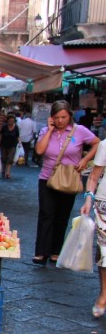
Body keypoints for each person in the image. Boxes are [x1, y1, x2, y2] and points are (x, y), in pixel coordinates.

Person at [32, 100, 99, 265]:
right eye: (57, 117)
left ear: (70, 116)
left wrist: (85, 159)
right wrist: (49, 130)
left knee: (62, 216)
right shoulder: (45, 131)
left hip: (69, 179)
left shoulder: (80, 131)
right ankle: (41, 252)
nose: (60, 120)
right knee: (46, 214)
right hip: (47, 177)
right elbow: (39, 150)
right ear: (51, 118)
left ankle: (56, 251)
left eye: (63, 117)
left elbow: (97, 143)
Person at [81, 146, 106, 317]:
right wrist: (88, 198)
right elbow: (94, 177)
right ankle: (104, 294)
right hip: (104, 204)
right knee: (104, 253)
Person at [0, 114, 20, 179]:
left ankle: (8, 173)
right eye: (10, 121)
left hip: (12, 145)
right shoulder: (4, 127)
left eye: (12, 121)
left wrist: (20, 143)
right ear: (7, 121)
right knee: (3, 158)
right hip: (4, 145)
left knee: (10, 159)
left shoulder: (16, 127)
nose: (11, 122)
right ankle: (3, 171)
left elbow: (17, 136)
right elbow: (0, 135)